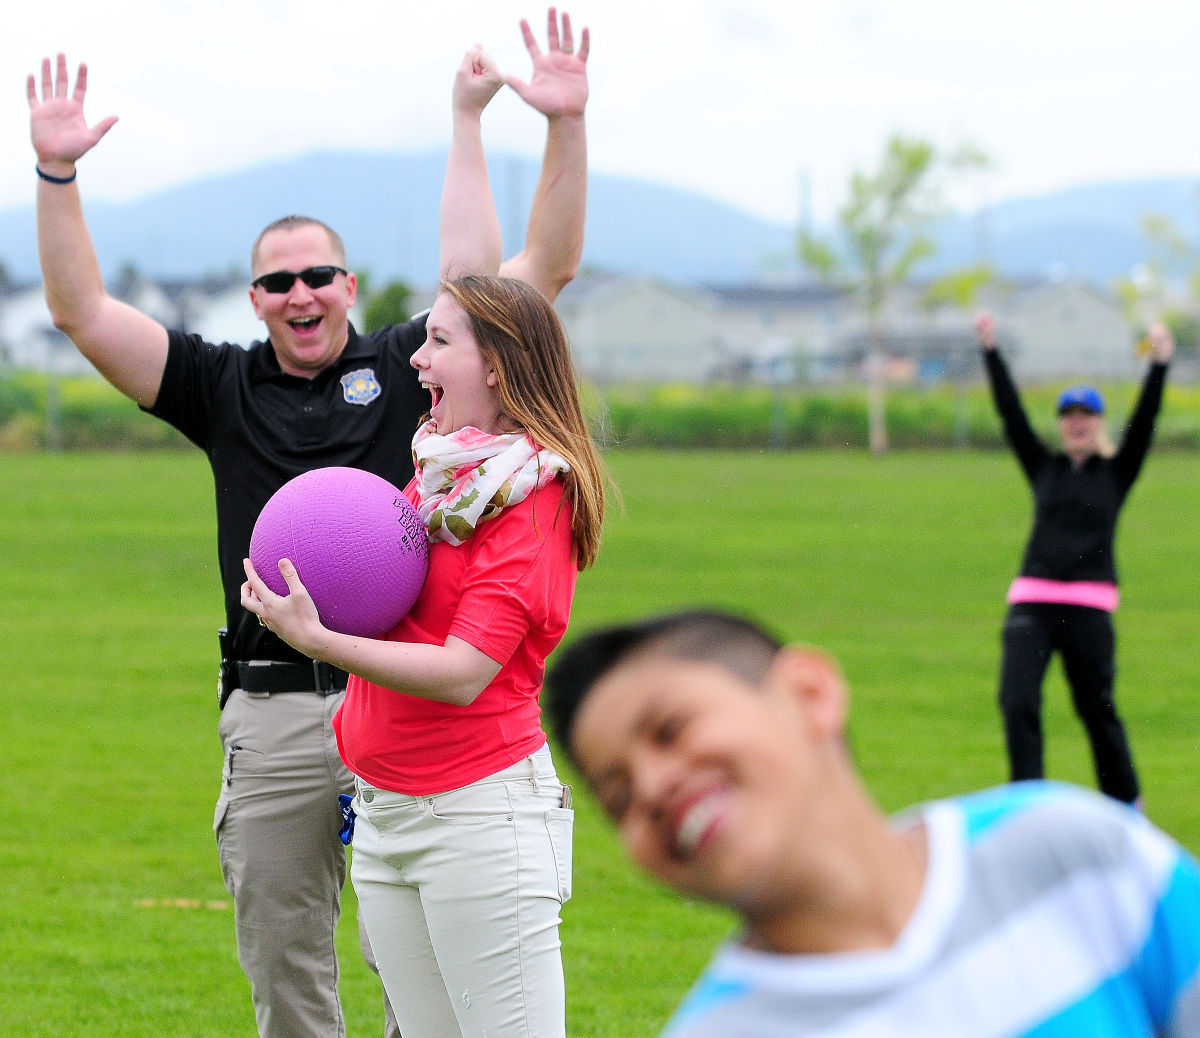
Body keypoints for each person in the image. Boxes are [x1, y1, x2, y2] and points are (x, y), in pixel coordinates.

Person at [27, 10, 590, 1037]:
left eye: (318, 274)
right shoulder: (219, 384)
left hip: (404, 702)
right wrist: (57, 177)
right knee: (292, 978)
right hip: (279, 709)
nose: (301, 292)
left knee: (419, 988)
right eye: (278, 280)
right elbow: (80, 312)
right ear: (255, 297)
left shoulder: (425, 397)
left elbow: (515, 277)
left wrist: (524, 126)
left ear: (351, 287)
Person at [543, 608, 1200, 1037]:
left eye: (671, 729)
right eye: (619, 796)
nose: (655, 788)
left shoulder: (1071, 852)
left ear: (809, 694)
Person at [241, 271, 608, 1037]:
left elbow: (464, 672)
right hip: (384, 815)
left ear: (498, 366)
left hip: (476, 821)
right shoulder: (444, 477)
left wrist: (318, 639)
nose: (417, 359)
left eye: (439, 342)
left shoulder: (534, 498)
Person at [975, 312, 1173, 806]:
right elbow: (1011, 415)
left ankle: (1126, 803)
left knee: (1095, 706)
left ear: (1098, 422)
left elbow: (1147, 418)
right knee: (1016, 700)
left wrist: (1160, 365)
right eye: (1069, 414)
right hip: (1033, 601)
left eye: (1086, 414)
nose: (1077, 421)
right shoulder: (1044, 468)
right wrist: (992, 352)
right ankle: (1028, 803)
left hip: (1088, 605)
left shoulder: (1116, 471)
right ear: (1062, 423)